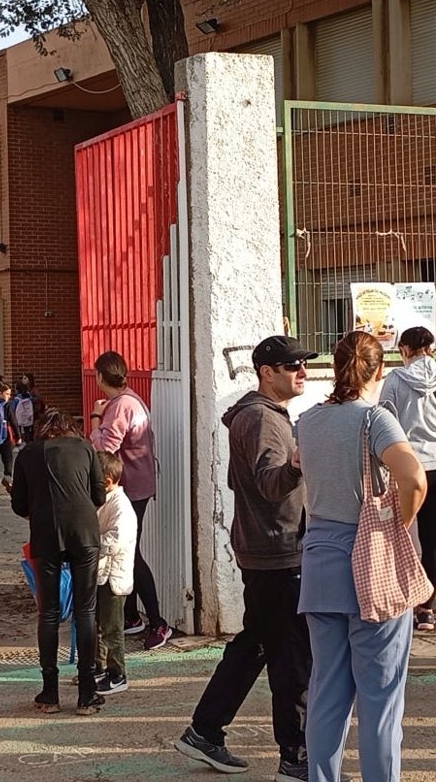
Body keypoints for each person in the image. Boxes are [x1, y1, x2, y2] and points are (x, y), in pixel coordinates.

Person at [176, 335, 316, 780]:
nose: (302, 372)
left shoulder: (263, 415)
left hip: (266, 549)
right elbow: (269, 484)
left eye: (303, 364)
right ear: (266, 372)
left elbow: (246, 485)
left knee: (255, 644)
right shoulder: (260, 419)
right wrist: (299, 463)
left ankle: (204, 730)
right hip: (277, 553)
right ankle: (295, 758)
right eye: (293, 366)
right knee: (292, 659)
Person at [296, 331, 427, 782]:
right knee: (381, 698)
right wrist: (402, 523)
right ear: (382, 370)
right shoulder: (376, 419)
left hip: (319, 562)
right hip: (371, 564)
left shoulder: (308, 420)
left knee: (326, 692)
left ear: (335, 368)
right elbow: (413, 478)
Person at [10, 408, 107, 715]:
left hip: (46, 533)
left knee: (48, 612)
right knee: (86, 609)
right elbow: (99, 496)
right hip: (84, 531)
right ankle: (87, 692)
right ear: (70, 428)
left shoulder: (27, 454)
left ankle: (49, 693)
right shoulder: (85, 448)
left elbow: (19, 505)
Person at [89, 350, 169, 650]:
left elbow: (106, 449)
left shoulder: (120, 406)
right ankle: (132, 616)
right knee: (128, 551)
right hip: (140, 482)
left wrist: (96, 419)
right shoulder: (132, 399)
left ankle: (158, 622)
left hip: (131, 486)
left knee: (130, 555)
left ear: (99, 376)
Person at [379, 325, 436, 631]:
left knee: (405, 535)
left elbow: (384, 418)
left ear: (404, 350)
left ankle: (408, 601)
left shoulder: (396, 379)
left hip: (408, 467)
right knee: (433, 537)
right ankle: (428, 607)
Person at [94, 450, 136, 697]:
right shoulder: (105, 501)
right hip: (101, 574)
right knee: (97, 625)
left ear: (107, 480)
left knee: (112, 628)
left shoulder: (121, 506)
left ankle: (117, 673)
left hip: (114, 578)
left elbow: (115, 541)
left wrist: (90, 541)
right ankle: (97, 667)